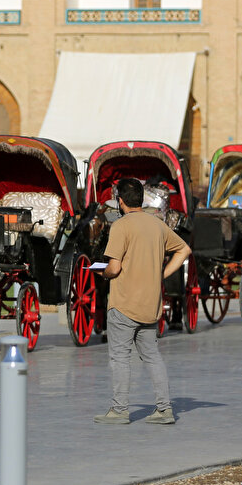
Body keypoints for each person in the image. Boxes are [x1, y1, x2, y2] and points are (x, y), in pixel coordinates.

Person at [94, 178, 191, 425]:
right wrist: (162, 274)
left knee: (120, 357)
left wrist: (101, 271)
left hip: (124, 304)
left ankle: (119, 410)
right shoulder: (157, 225)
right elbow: (184, 250)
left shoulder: (120, 226)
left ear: (120, 201)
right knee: (152, 356)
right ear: (142, 199)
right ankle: (164, 409)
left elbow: (114, 268)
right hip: (150, 305)